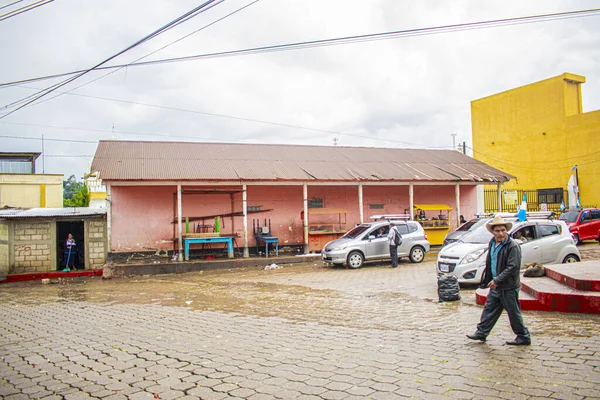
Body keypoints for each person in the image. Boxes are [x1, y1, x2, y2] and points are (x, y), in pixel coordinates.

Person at [467, 216, 530, 345]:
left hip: (508, 286)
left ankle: (523, 336)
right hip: (496, 285)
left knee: (513, 313)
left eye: (503, 230)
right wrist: (488, 280)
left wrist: (497, 280)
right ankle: (482, 333)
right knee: (489, 309)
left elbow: (513, 267)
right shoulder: (492, 243)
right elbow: (491, 262)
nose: (500, 233)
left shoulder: (512, 246)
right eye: (497, 231)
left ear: (506, 230)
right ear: (492, 232)